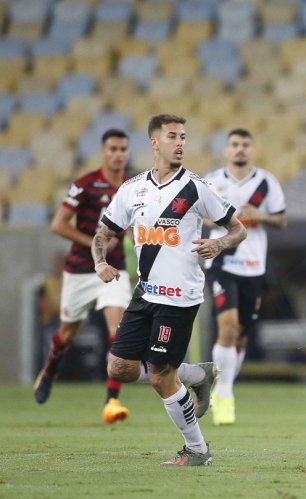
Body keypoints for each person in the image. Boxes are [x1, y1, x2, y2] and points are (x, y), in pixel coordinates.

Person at [93, 114, 247, 466]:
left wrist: (219, 244)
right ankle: (195, 374)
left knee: (161, 377)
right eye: (173, 136)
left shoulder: (195, 188)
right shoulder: (132, 189)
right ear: (154, 142)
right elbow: (103, 233)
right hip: (144, 293)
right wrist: (100, 262)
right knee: (119, 368)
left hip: (178, 298)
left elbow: (238, 229)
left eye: (183, 137)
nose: (180, 143)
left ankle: (197, 450)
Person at [32, 129, 135, 424]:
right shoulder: (85, 184)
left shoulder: (132, 187)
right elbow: (58, 224)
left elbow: (134, 224)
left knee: (118, 333)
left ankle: (112, 400)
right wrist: (95, 243)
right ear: (103, 152)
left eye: (123, 149)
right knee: (67, 334)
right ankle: (51, 368)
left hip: (113, 270)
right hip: (80, 270)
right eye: (113, 148)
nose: (118, 154)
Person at [203, 128, 287, 425]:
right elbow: (198, 215)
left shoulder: (266, 181)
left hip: (253, 265)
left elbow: (281, 220)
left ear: (252, 149)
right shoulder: (212, 181)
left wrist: (260, 216)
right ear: (226, 150)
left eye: (245, 144)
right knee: (228, 327)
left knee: (240, 335)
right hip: (222, 260)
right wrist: (229, 219)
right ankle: (224, 395)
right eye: (235, 144)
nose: (240, 149)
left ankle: (222, 387)